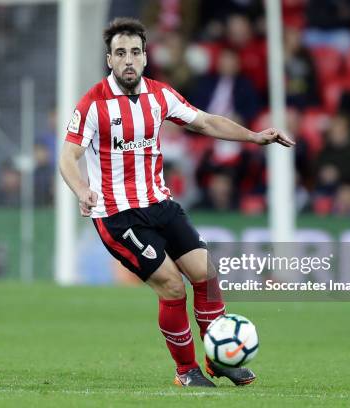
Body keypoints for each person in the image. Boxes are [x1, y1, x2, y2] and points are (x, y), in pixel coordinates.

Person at [59, 18, 294, 387]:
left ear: (145, 56)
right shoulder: (93, 104)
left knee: (205, 272)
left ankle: (220, 359)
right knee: (171, 285)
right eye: (120, 53)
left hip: (160, 203)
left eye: (135, 52)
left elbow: (205, 122)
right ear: (109, 60)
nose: (128, 61)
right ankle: (186, 371)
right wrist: (81, 190)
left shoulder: (160, 95)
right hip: (118, 216)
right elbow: (68, 157)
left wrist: (253, 137)